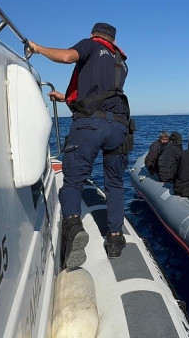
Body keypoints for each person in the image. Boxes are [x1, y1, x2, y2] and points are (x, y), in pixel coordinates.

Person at [26, 22, 131, 265]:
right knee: (115, 183)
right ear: (113, 40)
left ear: (94, 35)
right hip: (119, 127)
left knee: (73, 180)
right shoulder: (121, 63)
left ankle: (74, 228)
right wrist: (65, 97)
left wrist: (38, 48)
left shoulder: (90, 46)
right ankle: (115, 239)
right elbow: (102, 94)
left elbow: (65, 57)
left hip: (89, 127)